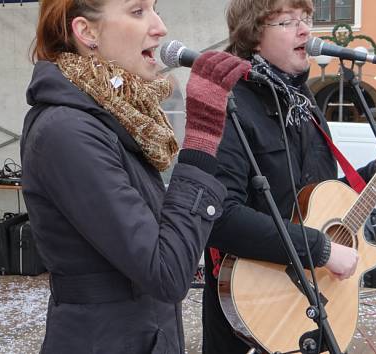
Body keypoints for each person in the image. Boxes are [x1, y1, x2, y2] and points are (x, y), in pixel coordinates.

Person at [20, 1, 252, 352]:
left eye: (154, 9)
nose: (160, 27)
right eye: (137, 11)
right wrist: (201, 137)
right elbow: (167, 272)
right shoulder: (67, 131)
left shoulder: (118, 119)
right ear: (87, 32)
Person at [202, 1, 376, 352]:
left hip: (314, 300)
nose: (306, 30)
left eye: (306, 19)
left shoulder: (303, 102)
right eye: (289, 22)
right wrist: (320, 249)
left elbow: (322, 198)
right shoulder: (229, 103)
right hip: (254, 301)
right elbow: (219, 217)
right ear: (254, 35)